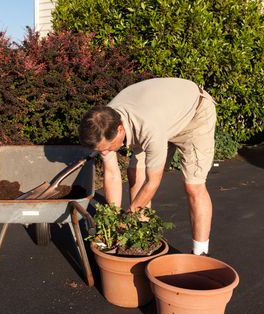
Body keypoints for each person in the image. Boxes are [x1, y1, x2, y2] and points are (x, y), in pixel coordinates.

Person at [79, 77, 216, 256]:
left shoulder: (148, 128)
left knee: (193, 186)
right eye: (100, 150)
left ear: (120, 130)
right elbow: (112, 174)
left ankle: (200, 253)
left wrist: (127, 217)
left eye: (107, 148)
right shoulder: (104, 122)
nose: (105, 152)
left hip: (194, 116)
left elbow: (153, 182)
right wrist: (113, 220)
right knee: (135, 173)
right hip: (162, 115)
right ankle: (141, 237)